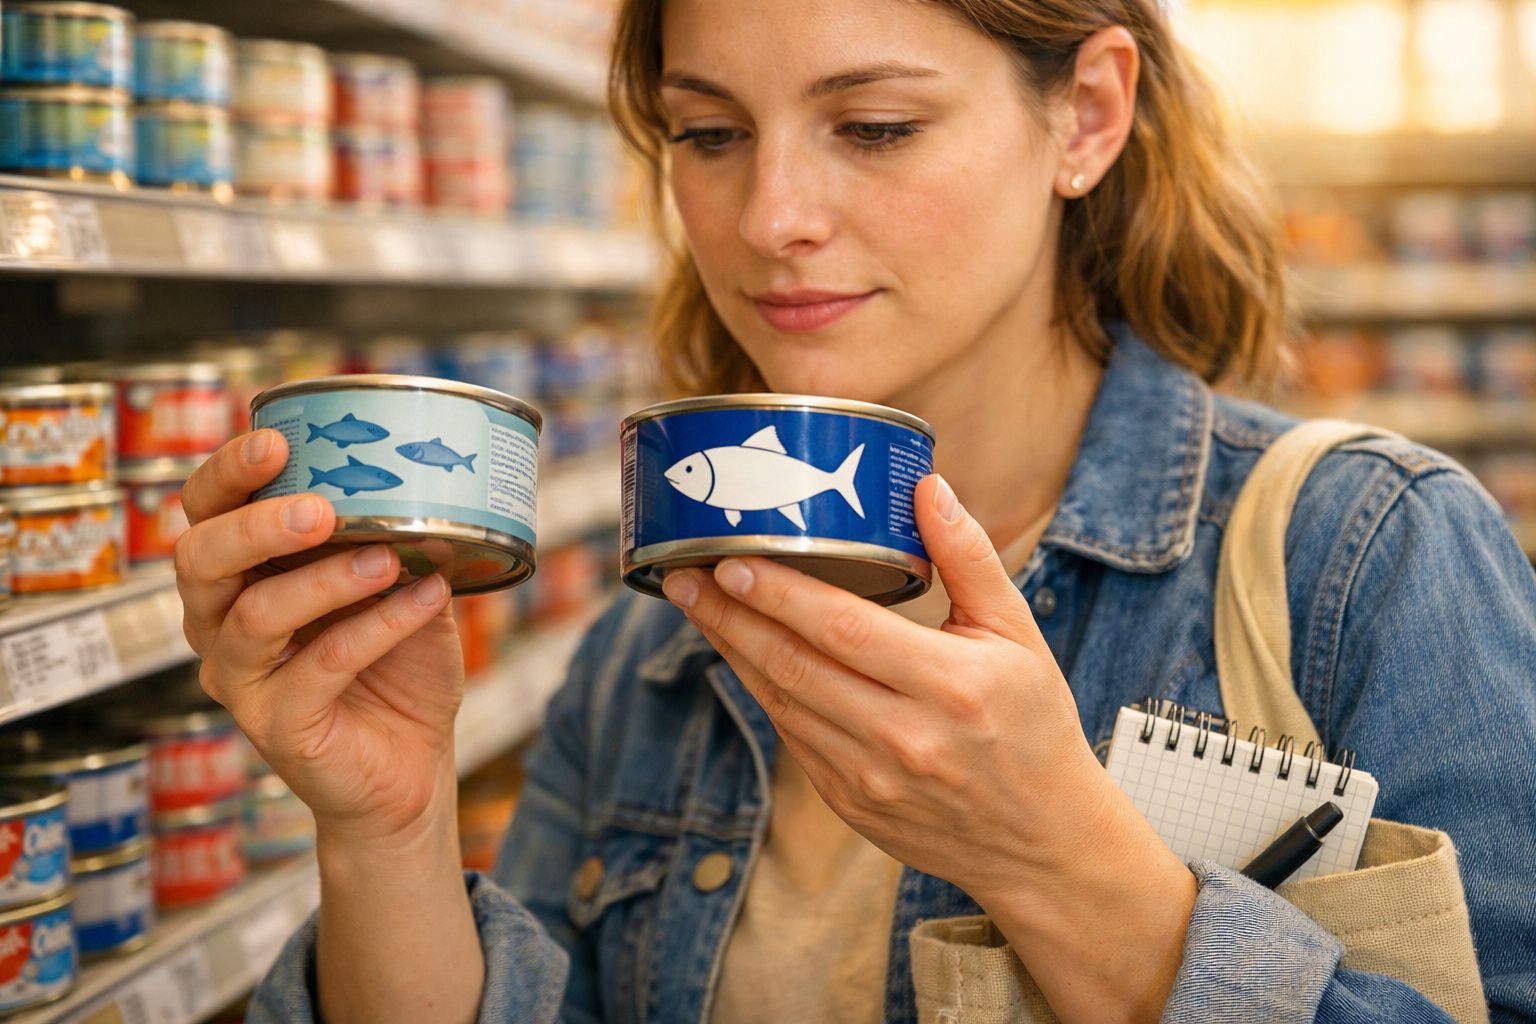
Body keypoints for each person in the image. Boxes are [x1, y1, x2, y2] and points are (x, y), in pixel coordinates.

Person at [174, 1, 1536, 1021]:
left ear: (1086, 116)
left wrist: (1060, 864)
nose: (770, 217)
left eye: (875, 127)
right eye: (710, 134)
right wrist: (387, 835)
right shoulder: (654, 643)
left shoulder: (1372, 555)